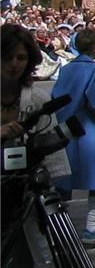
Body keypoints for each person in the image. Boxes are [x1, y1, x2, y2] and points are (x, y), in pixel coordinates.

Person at [1, 24, 71, 265]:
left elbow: (52, 151)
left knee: (34, 255)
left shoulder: (38, 98)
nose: (14, 64)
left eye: (21, 57)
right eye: (7, 57)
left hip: (26, 194)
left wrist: (55, 189)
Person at [52, 28, 95, 248]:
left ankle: (58, 227)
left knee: (62, 177)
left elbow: (57, 96)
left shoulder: (67, 68)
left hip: (66, 126)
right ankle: (91, 227)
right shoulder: (93, 69)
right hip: (88, 127)